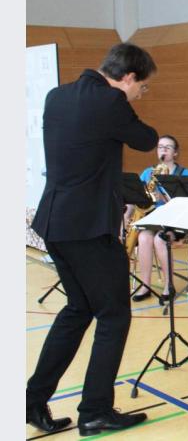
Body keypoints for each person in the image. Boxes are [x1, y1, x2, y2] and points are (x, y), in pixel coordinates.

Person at [27, 43, 157, 435]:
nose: (139, 94)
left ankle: (32, 401)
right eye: (142, 88)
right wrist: (123, 101)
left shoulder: (58, 95)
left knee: (78, 310)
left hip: (54, 222)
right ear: (129, 77)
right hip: (88, 228)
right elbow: (146, 139)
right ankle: (96, 409)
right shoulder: (111, 101)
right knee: (114, 314)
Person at [127, 134, 188, 302]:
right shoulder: (148, 172)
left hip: (176, 221)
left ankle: (168, 285)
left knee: (159, 240)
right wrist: (127, 214)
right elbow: (134, 197)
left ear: (175, 153)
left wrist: (165, 198)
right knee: (143, 237)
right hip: (153, 218)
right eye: (160, 146)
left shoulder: (183, 173)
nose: (162, 149)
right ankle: (145, 285)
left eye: (167, 147)